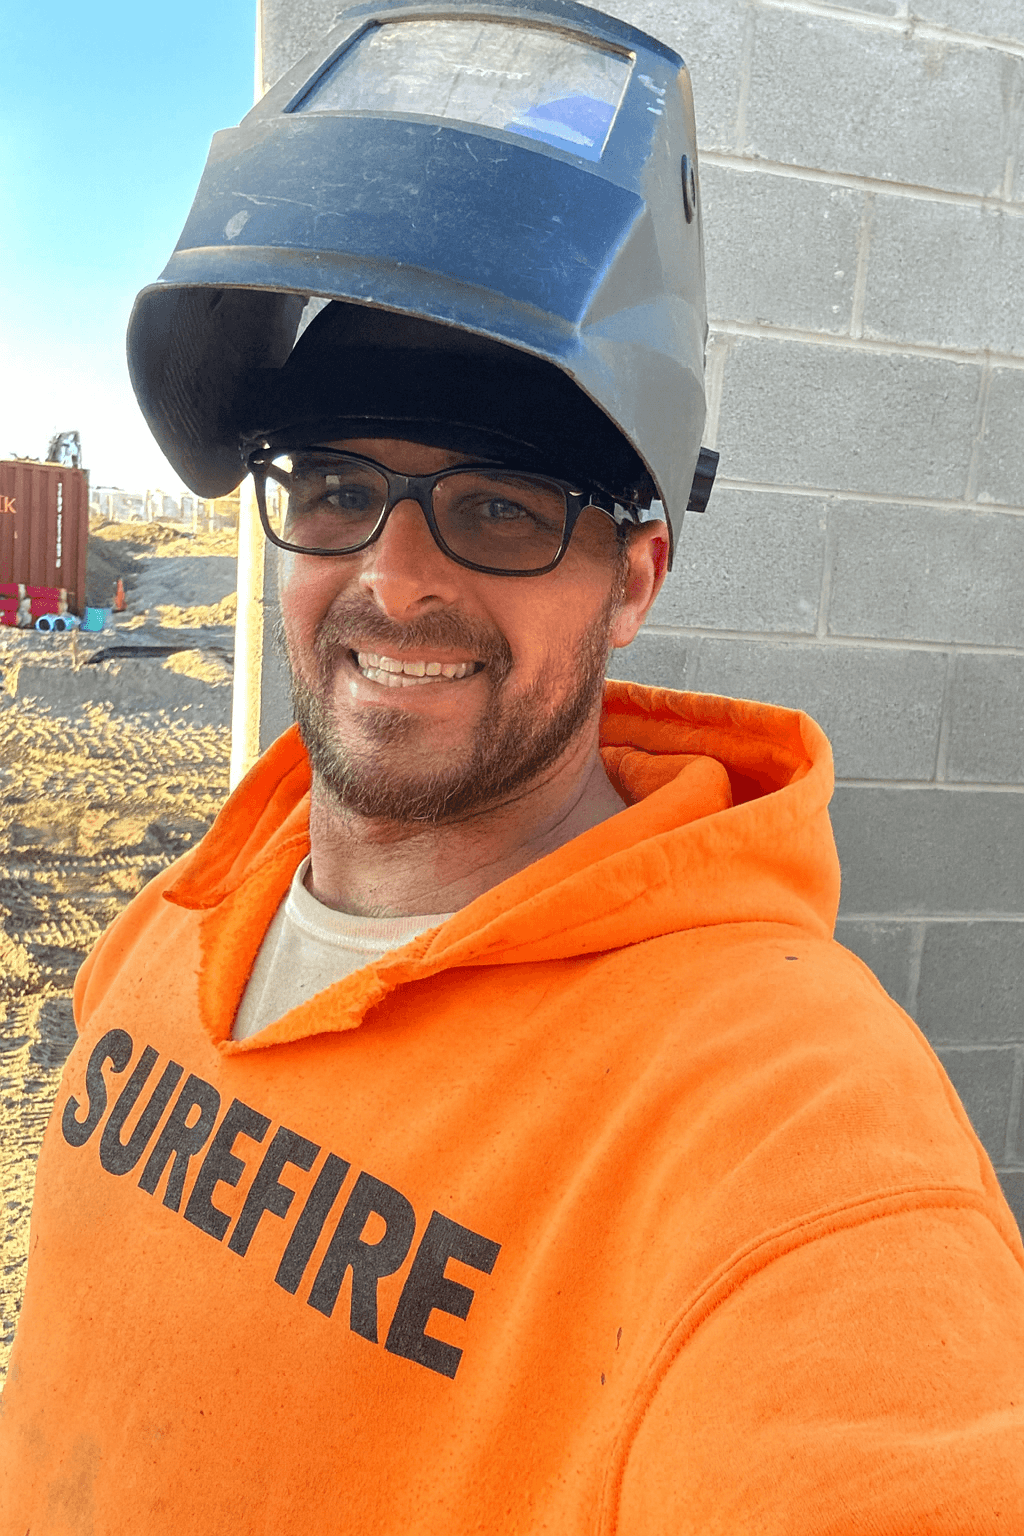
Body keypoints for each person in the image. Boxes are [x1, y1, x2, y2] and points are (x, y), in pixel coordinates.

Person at [3, 1, 1024, 1531]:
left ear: (634, 576)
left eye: (500, 510)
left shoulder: (780, 1126)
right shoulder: (194, 908)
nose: (393, 581)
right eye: (340, 489)